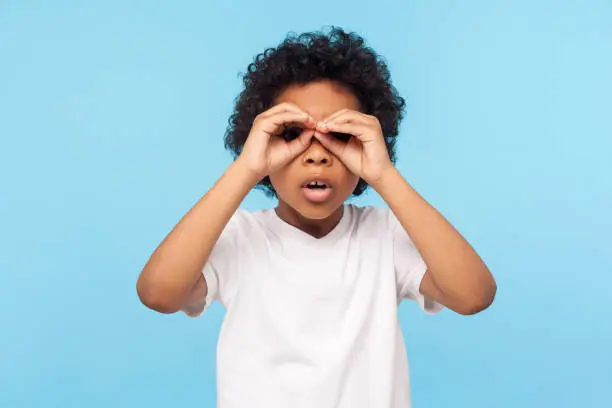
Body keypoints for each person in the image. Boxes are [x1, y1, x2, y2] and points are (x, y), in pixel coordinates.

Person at [136, 26, 497, 408]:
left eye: (339, 135)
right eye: (292, 133)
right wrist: (246, 169)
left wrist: (384, 175)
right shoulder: (241, 237)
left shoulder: (385, 235)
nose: (317, 154)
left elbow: (473, 296)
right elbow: (158, 294)